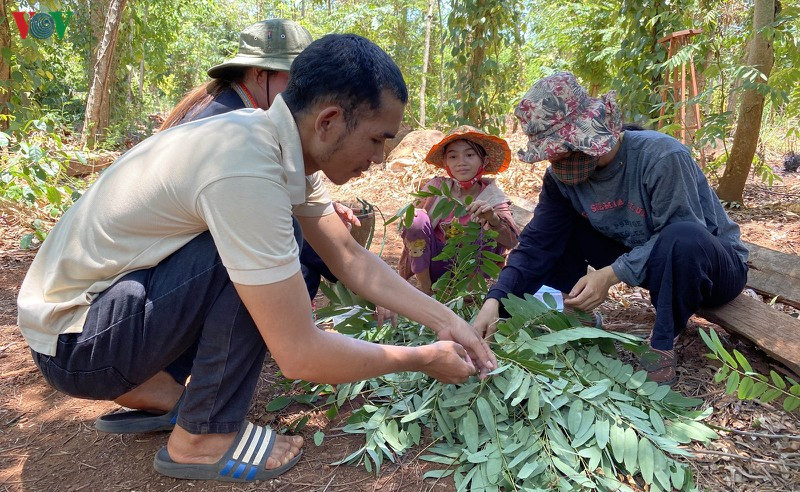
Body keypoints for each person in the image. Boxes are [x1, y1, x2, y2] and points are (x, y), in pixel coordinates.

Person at [17, 34, 496, 483]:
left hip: (100, 319)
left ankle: (152, 382)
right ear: (328, 122)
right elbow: (300, 353)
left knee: (271, 244)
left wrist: (447, 320)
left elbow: (349, 256)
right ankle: (202, 438)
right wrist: (421, 359)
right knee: (270, 244)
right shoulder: (246, 169)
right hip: (78, 345)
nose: (380, 157)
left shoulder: (270, 139)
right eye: (377, 139)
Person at [472, 72, 748, 385]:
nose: (554, 160)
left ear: (586, 134)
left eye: (560, 149)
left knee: (680, 236)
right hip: (647, 261)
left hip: (711, 270)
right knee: (560, 230)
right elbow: (537, 244)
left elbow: (684, 237)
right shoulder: (562, 181)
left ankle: (662, 344)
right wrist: (497, 300)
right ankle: (574, 312)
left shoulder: (660, 157)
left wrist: (611, 274)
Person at [161, 18, 351, 302]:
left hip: (179, 263)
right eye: (298, 81)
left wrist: (322, 218)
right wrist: (340, 265)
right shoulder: (230, 129)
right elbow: (261, 213)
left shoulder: (240, 110)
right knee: (292, 261)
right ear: (261, 75)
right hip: (172, 267)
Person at [398, 126, 521, 293]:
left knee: (486, 231)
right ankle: (426, 290)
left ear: (483, 161)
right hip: (435, 260)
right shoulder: (436, 188)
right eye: (453, 156)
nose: (461, 162)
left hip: (471, 267)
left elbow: (512, 241)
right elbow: (409, 227)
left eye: (469, 155)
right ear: (445, 163)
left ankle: (467, 294)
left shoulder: (493, 196)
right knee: (416, 218)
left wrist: (493, 219)